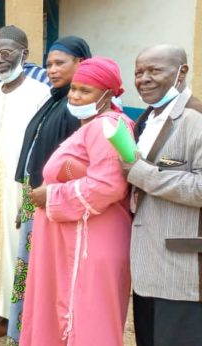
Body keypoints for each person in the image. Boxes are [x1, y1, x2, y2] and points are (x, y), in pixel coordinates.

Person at [20, 57, 133, 345]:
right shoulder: (93, 125)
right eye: (75, 89)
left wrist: (52, 195)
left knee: (87, 317)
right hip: (75, 235)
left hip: (90, 240)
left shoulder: (107, 127)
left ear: (108, 94)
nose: (75, 96)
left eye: (86, 91)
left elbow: (108, 185)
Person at [8, 36, 90, 345]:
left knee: (49, 275)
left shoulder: (81, 106)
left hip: (57, 201)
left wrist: (52, 192)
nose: (52, 70)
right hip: (38, 197)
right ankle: (27, 334)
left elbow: (78, 163)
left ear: (81, 64)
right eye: (49, 64)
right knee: (31, 273)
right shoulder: (56, 99)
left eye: (60, 63)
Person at [0, 26, 51, 338]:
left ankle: (20, 319)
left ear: (25, 53)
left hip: (22, 188)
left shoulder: (40, 93)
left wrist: (31, 188)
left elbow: (43, 146)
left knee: (18, 253)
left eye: (6, 54)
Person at [128, 45, 202, 346]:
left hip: (180, 269)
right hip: (147, 265)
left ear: (181, 72)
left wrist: (141, 173)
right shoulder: (146, 119)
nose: (143, 79)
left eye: (154, 71)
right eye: (138, 72)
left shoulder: (195, 119)